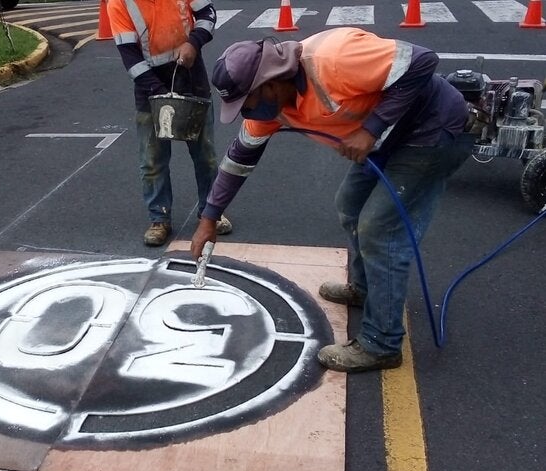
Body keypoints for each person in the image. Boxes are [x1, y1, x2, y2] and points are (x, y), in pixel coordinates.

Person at [190, 27, 472, 372]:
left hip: (430, 130)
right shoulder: (273, 107)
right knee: (349, 206)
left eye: (246, 102)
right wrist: (209, 218)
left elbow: (423, 60)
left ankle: (382, 344)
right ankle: (366, 289)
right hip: (386, 141)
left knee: (379, 231)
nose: (247, 113)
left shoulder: (334, 60)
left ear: (271, 82)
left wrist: (371, 128)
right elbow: (240, 158)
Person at [107, 0, 232, 246]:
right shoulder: (119, 3)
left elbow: (207, 13)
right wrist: (161, 94)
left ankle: (211, 213)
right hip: (150, 88)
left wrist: (193, 42)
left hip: (191, 77)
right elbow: (130, 57)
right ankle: (159, 218)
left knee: (204, 155)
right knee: (153, 160)